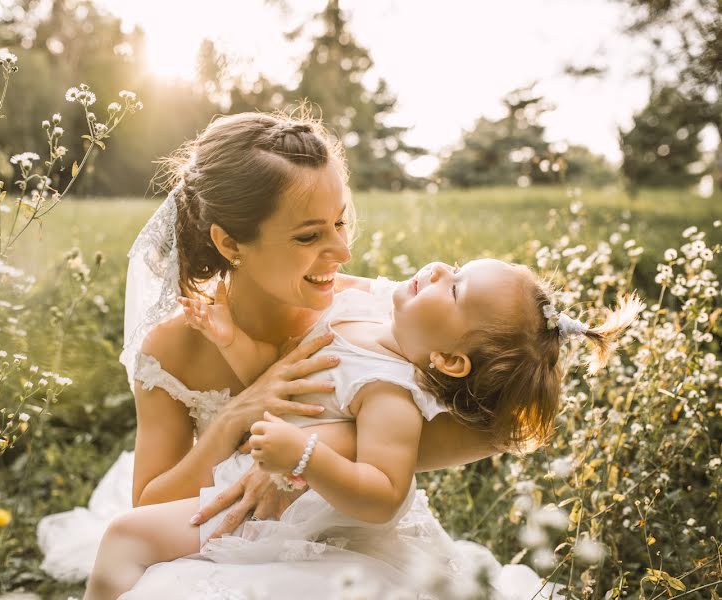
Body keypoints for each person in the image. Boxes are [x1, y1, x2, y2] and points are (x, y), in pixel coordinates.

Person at [36, 112, 525, 597]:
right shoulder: (172, 348)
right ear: (230, 243)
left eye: (340, 223)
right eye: (309, 236)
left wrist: (325, 449)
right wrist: (234, 417)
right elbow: (148, 503)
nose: (342, 253)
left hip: (355, 541)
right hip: (222, 532)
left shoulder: (378, 311)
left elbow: (508, 421)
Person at [93, 251, 640, 599]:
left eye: (454, 290)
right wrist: (231, 340)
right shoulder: (367, 307)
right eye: (458, 266)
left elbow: (384, 492)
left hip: (289, 502)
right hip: (256, 465)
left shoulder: (390, 394)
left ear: (449, 362)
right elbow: (278, 380)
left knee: (125, 535)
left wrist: (306, 456)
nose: (439, 271)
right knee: (127, 536)